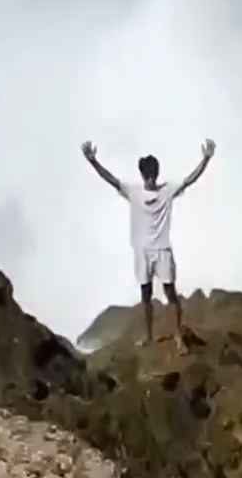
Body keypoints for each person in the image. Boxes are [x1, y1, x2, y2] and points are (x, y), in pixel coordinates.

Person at [82, 139, 216, 353]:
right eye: (148, 175)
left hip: (162, 249)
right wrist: (92, 161)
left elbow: (190, 179)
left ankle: (178, 336)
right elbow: (111, 179)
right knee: (145, 294)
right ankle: (148, 336)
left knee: (170, 293)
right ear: (143, 175)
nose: (151, 179)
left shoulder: (167, 190)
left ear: (157, 174)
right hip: (142, 251)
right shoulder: (133, 191)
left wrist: (206, 159)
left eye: (153, 175)